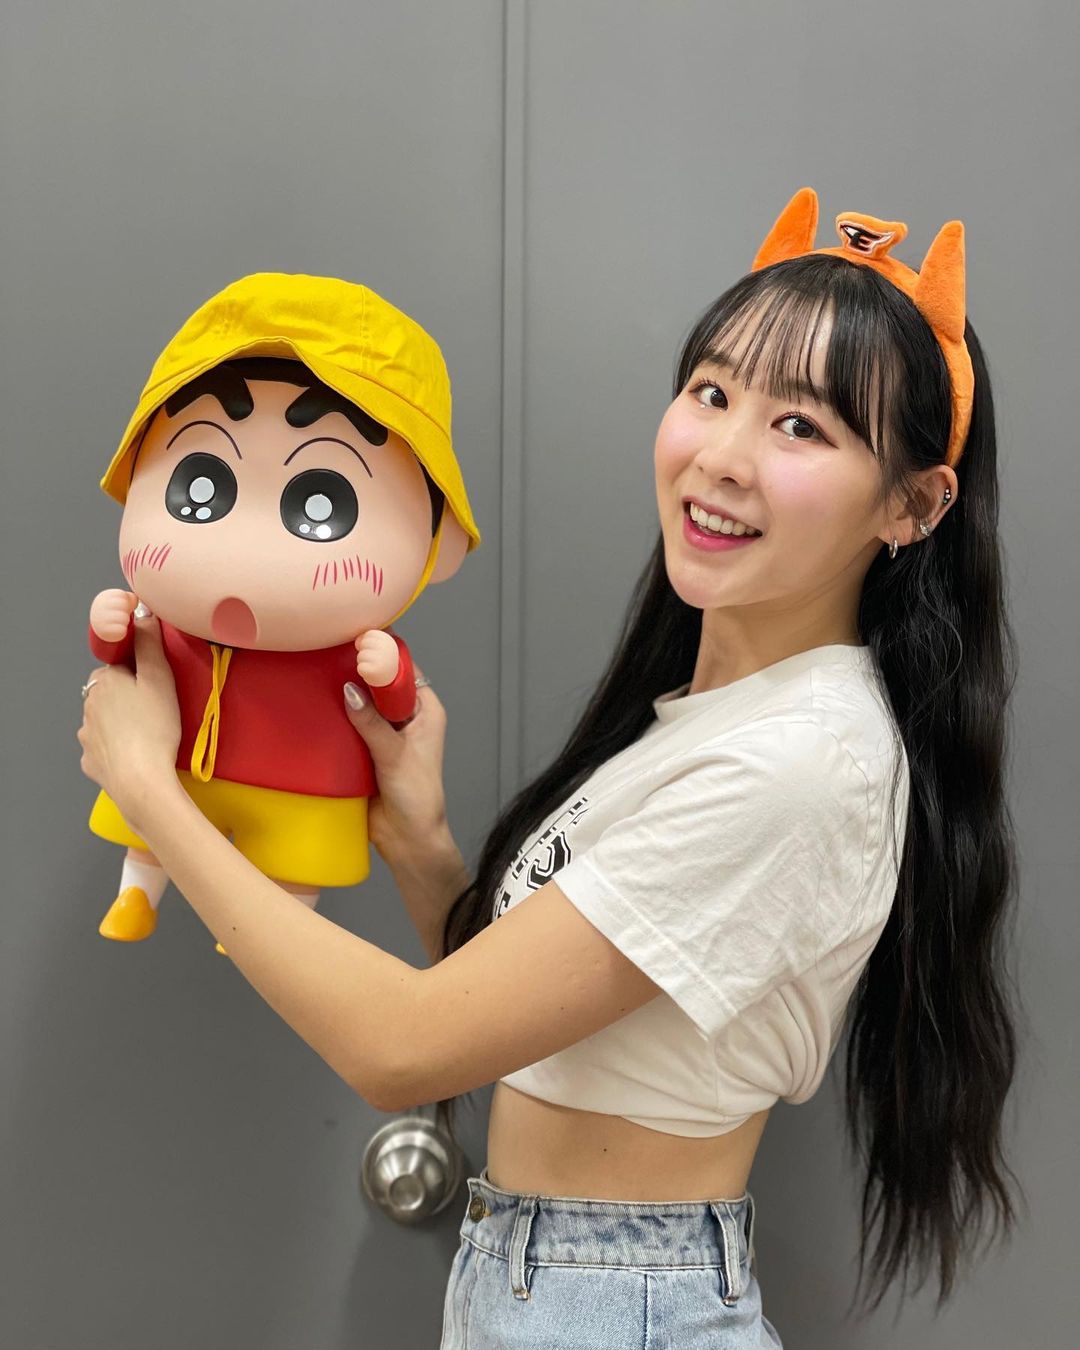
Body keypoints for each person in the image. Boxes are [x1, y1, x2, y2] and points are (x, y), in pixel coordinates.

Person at [77, 187, 1024, 1346]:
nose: (722, 455)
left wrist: (151, 791)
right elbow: (520, 1029)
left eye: (802, 428)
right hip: (565, 1287)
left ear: (913, 506)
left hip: (611, 1300)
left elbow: (403, 1050)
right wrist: (419, 839)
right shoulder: (712, 723)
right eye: (712, 391)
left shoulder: (796, 762)